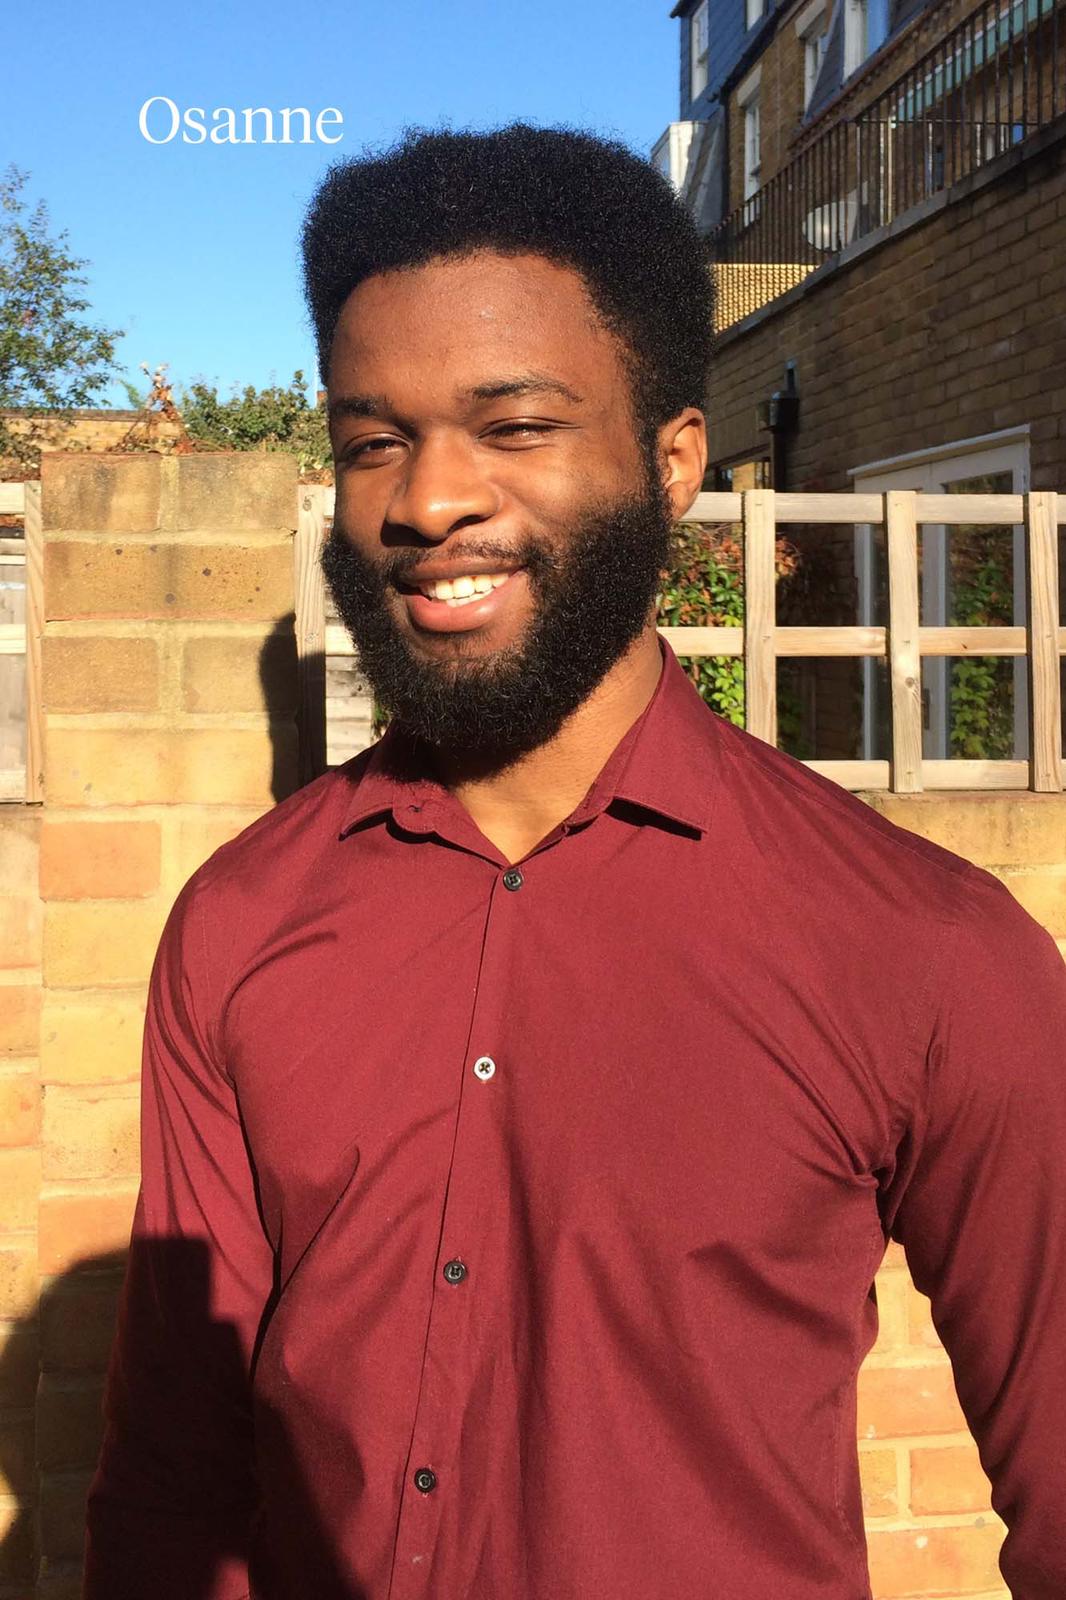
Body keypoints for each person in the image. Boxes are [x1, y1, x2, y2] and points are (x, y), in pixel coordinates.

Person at [85, 124, 1066, 1600]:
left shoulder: (927, 951)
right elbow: (176, 1475)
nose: (426, 500)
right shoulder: (243, 921)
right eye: (373, 441)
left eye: (516, 427)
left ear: (673, 464)